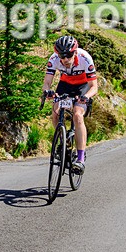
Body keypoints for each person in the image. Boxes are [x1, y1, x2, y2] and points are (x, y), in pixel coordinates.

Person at [43, 35, 98, 173]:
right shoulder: (54, 59)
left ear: (75, 52)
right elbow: (47, 82)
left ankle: (80, 159)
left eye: (68, 55)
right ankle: (63, 142)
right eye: (62, 56)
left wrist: (86, 97)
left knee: (78, 115)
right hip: (65, 85)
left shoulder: (85, 58)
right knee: (55, 113)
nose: (65, 59)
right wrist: (48, 91)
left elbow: (94, 87)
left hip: (82, 86)